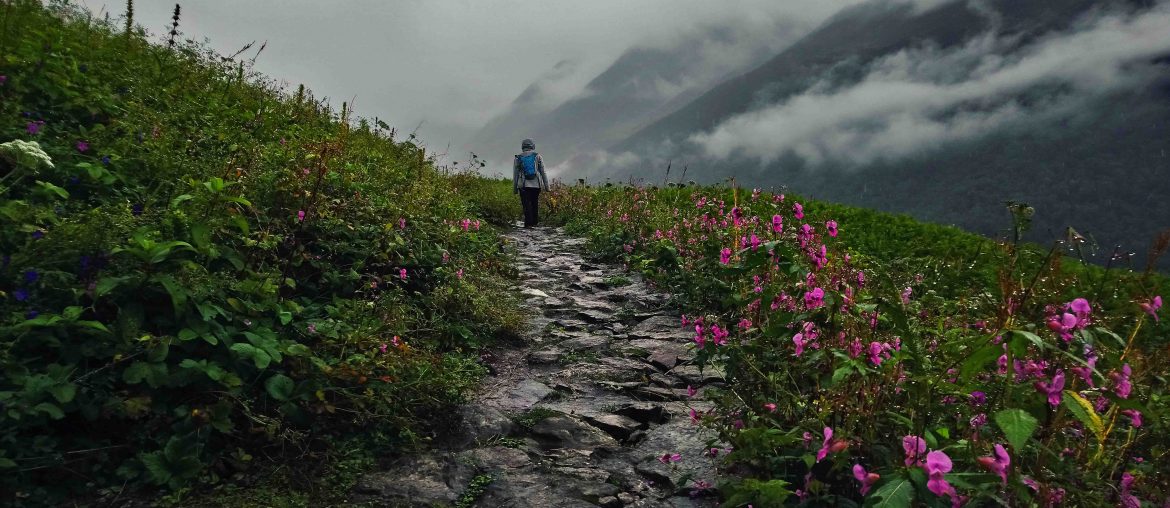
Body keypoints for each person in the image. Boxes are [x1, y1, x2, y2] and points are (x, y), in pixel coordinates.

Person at [513, 138, 549, 227]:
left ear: (522, 146)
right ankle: (535, 223)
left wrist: (515, 189)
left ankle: (528, 224)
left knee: (526, 205)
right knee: (534, 203)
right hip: (536, 185)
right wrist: (547, 187)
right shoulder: (538, 156)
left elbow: (515, 174)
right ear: (532, 146)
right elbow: (543, 172)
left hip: (523, 185)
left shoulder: (518, 157)